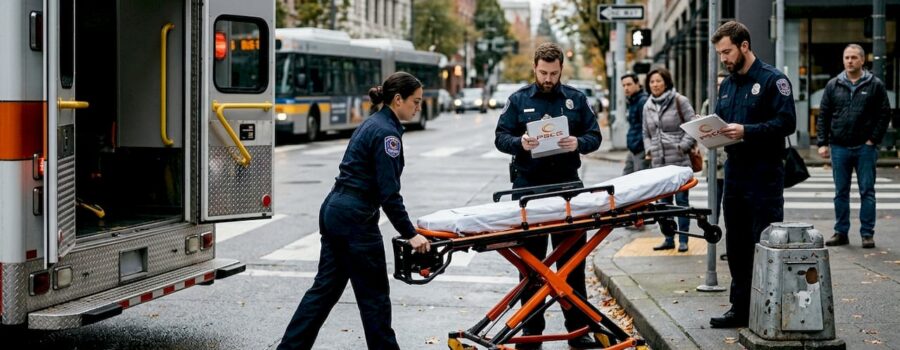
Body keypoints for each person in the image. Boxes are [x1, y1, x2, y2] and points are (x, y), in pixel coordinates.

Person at [277, 72, 431, 350]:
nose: (418, 108)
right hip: (356, 220)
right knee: (374, 298)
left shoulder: (373, 123)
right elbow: (389, 193)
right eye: (416, 102)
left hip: (336, 210)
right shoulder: (387, 134)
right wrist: (411, 234)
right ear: (398, 100)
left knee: (324, 291)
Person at [494, 42, 602, 349]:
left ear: (561, 69)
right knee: (531, 266)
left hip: (567, 186)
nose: (548, 79)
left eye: (553, 73)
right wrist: (521, 142)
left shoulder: (575, 99)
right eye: (543, 72)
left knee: (572, 264)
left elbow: (595, 136)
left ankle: (578, 332)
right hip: (529, 188)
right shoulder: (518, 100)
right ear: (534, 67)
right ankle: (532, 333)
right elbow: (500, 137)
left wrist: (577, 143)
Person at [710, 21, 796, 328]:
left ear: (744, 46)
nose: (724, 59)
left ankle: (767, 309)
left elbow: (786, 123)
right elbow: (726, 121)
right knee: (736, 244)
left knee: (764, 241)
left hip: (765, 172)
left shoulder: (774, 80)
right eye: (720, 53)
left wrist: (747, 131)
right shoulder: (728, 84)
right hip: (735, 171)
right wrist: (710, 131)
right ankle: (740, 308)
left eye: (727, 51)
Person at [817, 44, 891, 249]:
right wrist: (822, 143)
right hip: (839, 147)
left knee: (867, 191)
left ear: (862, 60)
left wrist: (873, 140)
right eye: (846, 57)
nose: (849, 61)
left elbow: (884, 114)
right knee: (841, 192)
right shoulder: (833, 85)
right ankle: (841, 232)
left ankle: (867, 234)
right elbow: (824, 115)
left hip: (865, 148)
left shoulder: (875, 84)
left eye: (853, 58)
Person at [641, 67, 696, 252]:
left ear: (666, 82)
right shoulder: (647, 105)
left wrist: (683, 146)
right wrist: (649, 149)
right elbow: (645, 132)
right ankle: (668, 238)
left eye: (658, 81)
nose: (655, 84)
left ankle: (684, 240)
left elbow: (692, 126)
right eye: (652, 82)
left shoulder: (680, 100)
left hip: (679, 161)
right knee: (663, 205)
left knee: (681, 203)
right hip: (658, 162)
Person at [700, 72, 729, 260]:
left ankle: (730, 246)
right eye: (716, 84)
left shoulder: (731, 101)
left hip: (728, 162)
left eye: (721, 84)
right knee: (713, 207)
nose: (719, 87)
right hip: (713, 164)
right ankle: (711, 246)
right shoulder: (708, 103)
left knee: (730, 208)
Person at [623, 72, 650, 175]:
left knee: (640, 182)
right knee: (625, 179)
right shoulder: (633, 100)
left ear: (637, 84)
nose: (626, 88)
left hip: (641, 149)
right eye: (624, 85)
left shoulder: (642, 101)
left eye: (629, 84)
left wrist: (644, 147)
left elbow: (647, 126)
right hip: (633, 148)